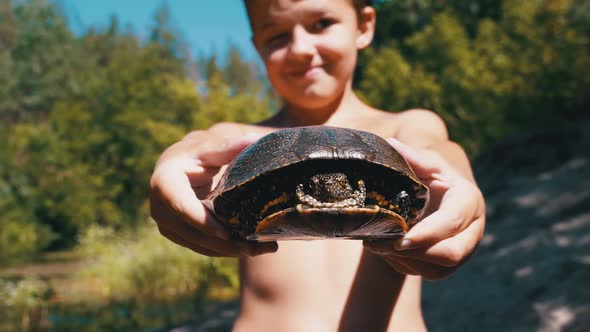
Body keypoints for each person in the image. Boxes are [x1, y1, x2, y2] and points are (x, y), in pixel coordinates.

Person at [150, 0, 486, 330]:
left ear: (364, 26)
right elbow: (200, 144)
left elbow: (439, 153)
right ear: (257, 48)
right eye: (277, 36)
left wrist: (462, 189)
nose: (300, 48)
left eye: (321, 23)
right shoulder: (242, 141)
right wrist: (170, 165)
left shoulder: (405, 128)